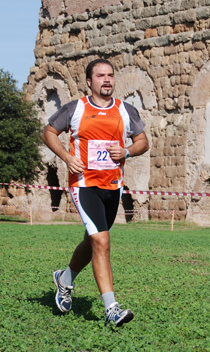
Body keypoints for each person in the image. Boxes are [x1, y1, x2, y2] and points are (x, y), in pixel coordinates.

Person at [42, 59, 149, 327]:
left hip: (113, 187)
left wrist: (127, 151)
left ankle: (65, 279)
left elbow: (143, 141)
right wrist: (67, 157)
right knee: (102, 242)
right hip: (84, 185)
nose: (107, 80)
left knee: (92, 242)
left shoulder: (125, 110)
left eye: (110, 75)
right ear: (89, 82)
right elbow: (49, 132)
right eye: (100, 75)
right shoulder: (76, 108)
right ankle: (111, 308)